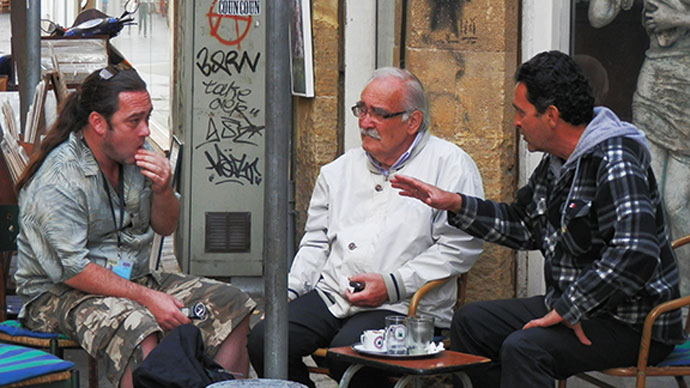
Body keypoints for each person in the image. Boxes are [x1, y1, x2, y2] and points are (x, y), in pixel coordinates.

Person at [390, 51, 684, 387]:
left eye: (520, 112)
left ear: (552, 115)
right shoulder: (557, 164)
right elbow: (524, 225)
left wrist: (571, 306)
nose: (515, 122)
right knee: (472, 322)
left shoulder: (616, 158)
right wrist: (453, 203)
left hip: (632, 322)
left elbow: (636, 252)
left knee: (526, 349)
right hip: (576, 306)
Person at [13, 64, 256, 388]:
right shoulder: (59, 179)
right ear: (98, 123)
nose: (145, 130)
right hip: (59, 294)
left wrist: (163, 189)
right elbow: (73, 269)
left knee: (231, 303)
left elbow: (165, 226)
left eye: (146, 117)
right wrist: (146, 298)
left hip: (133, 278)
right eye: (134, 121)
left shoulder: (135, 155)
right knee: (136, 326)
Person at [247, 67, 484, 388]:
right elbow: (316, 243)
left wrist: (392, 284)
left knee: (350, 357)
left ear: (412, 121)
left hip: (403, 304)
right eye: (362, 110)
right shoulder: (338, 171)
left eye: (378, 113)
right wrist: (288, 293)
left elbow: (460, 248)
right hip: (334, 293)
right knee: (266, 338)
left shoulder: (450, 165)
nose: (365, 122)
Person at [588, 0, 690, 295]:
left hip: (687, 83)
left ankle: (684, 301)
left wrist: (678, 17)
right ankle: (655, 296)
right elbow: (598, 17)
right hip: (654, 80)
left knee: (677, 203)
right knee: (649, 198)